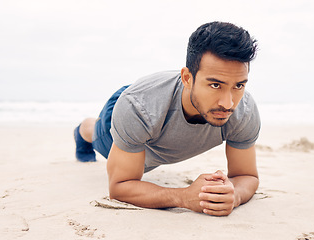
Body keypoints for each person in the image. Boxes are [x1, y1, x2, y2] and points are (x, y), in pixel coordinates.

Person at [74, 21, 260, 216]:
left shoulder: (244, 111)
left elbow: (246, 176)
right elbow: (120, 187)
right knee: (96, 133)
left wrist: (235, 195)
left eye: (238, 86)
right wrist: (184, 196)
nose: (228, 103)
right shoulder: (137, 108)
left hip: (154, 104)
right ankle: (82, 130)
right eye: (215, 85)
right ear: (187, 78)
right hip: (131, 110)